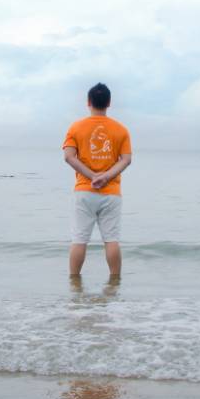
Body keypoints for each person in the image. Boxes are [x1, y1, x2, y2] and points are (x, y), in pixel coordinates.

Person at [62, 82, 132, 279]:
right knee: (111, 240)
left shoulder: (76, 127)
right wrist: (106, 176)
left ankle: (74, 283)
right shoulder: (121, 130)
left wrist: (92, 176)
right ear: (109, 102)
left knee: (79, 239)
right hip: (111, 193)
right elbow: (126, 159)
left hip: (84, 190)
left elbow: (69, 157)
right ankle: (115, 283)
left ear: (88, 102)